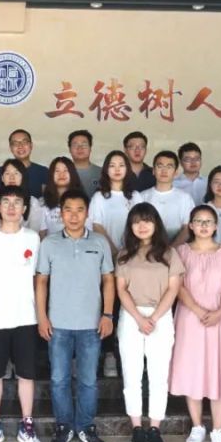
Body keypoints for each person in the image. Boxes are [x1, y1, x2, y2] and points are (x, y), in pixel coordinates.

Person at [36, 189, 114, 442]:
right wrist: (42, 317)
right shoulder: (49, 243)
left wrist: (107, 314)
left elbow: (108, 280)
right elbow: (41, 282)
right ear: (61, 213)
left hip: (91, 324)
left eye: (79, 210)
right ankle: (64, 426)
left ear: (87, 213)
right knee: (59, 379)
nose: (73, 215)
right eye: (68, 210)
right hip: (58, 324)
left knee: (88, 380)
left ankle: (86, 426)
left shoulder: (100, 242)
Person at [0, 186, 42, 442]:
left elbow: (39, 280)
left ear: (25, 208)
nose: (12, 207)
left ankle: (27, 424)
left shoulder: (33, 238)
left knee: (26, 373)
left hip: (26, 316)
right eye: (6, 202)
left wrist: (41, 314)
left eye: (17, 202)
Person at [171, 205, 221, 442]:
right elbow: (177, 287)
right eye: (198, 221)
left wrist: (220, 311)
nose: (203, 225)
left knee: (219, 370)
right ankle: (197, 426)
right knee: (193, 369)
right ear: (190, 225)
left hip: (220, 318)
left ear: (215, 226)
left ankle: (218, 430)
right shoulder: (180, 252)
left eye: (208, 221)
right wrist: (198, 310)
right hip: (190, 317)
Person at [115, 203, 184, 442]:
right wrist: (139, 317)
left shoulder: (170, 254)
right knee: (131, 374)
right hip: (131, 317)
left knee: (158, 375)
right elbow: (121, 289)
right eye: (136, 221)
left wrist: (153, 317)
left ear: (156, 224)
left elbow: (173, 289)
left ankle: (154, 428)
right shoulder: (124, 254)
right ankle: (136, 427)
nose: (142, 226)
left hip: (160, 317)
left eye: (147, 220)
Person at [90, 150, 142, 378]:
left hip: (133, 259)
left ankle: (134, 354)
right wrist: (114, 251)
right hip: (107, 259)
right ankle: (109, 354)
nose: (117, 169)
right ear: (106, 170)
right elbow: (96, 226)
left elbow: (143, 223)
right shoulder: (99, 197)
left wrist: (128, 252)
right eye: (112, 165)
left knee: (132, 304)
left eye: (122, 164)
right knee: (109, 305)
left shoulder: (136, 196)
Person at [140, 150, 194, 246]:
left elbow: (187, 228)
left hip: (176, 250)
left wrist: (171, 249)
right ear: (153, 170)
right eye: (160, 166)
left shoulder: (185, 198)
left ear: (176, 172)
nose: (164, 171)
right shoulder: (142, 196)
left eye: (169, 167)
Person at [0, 159, 44, 232]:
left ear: (23, 177)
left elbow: (34, 232)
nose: (12, 177)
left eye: (16, 173)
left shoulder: (33, 202)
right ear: (2, 178)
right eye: (7, 173)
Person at [40, 156, 91, 237]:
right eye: (57, 171)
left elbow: (89, 229)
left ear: (72, 173)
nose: (61, 174)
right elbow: (42, 233)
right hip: (52, 243)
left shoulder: (83, 200)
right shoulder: (42, 202)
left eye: (66, 170)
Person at [0, 129, 49, 198]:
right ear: (10, 148)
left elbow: (46, 200)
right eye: (15, 143)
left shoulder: (42, 171)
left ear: (31, 145)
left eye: (24, 142)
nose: (20, 146)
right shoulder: (2, 171)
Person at [68, 130, 102, 197]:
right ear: (70, 149)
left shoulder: (102, 173)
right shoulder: (62, 173)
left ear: (90, 148)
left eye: (84, 145)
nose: (80, 148)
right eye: (75, 145)